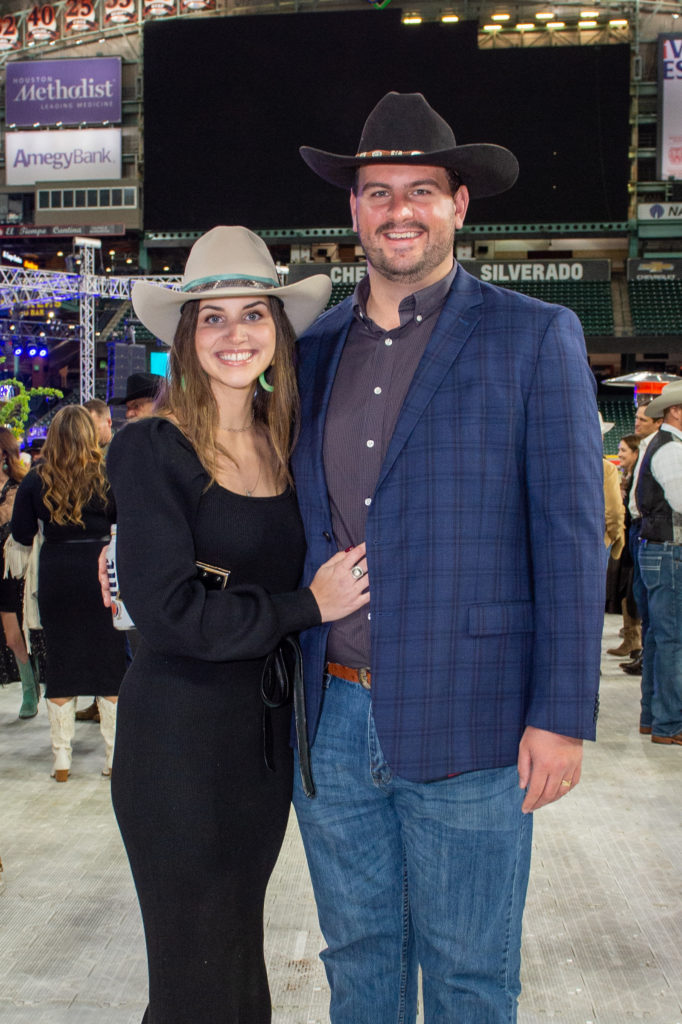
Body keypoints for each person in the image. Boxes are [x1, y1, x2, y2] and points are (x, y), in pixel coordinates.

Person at [290, 92, 604, 1023]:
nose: (400, 210)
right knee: (360, 966)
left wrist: (561, 715)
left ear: (459, 203)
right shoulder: (308, 350)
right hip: (334, 719)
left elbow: (572, 539)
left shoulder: (533, 334)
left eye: (421, 189)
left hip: (477, 716)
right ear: (353, 209)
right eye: (378, 191)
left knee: (471, 976)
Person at [104, 226, 370, 1024]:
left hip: (260, 746)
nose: (235, 334)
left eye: (253, 314)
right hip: (178, 745)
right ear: (186, 337)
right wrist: (305, 608)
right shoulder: (152, 448)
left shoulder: (283, 441)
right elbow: (170, 612)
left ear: (277, 332)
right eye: (213, 318)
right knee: (194, 973)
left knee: (235, 957)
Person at [10, 406, 126, 781]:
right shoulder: (109, 474)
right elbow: (124, 523)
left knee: (61, 662)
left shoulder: (35, 479)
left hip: (57, 572)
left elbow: (22, 532)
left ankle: (62, 762)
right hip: (100, 572)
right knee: (110, 661)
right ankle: (113, 758)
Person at [636, 382, 682, 745]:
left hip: (660, 549)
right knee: (672, 640)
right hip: (670, 550)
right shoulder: (671, 450)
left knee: (660, 637)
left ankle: (655, 717)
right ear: (676, 411)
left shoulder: (662, 446)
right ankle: (670, 722)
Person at [622, 399, 663, 684]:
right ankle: (644, 654)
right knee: (640, 596)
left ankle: (647, 656)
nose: (637, 423)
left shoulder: (659, 448)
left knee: (649, 602)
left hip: (647, 528)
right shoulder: (648, 447)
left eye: (643, 420)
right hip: (640, 527)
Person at [0, 427, 39, 718]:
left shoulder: (17, 487)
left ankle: (30, 689)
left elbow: (13, 524)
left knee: (15, 637)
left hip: (11, 570)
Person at [606, 433, 641, 659]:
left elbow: (615, 512)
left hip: (634, 534)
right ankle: (632, 639)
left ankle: (634, 640)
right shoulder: (612, 470)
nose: (619, 454)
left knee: (633, 589)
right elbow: (615, 512)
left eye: (623, 450)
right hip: (623, 535)